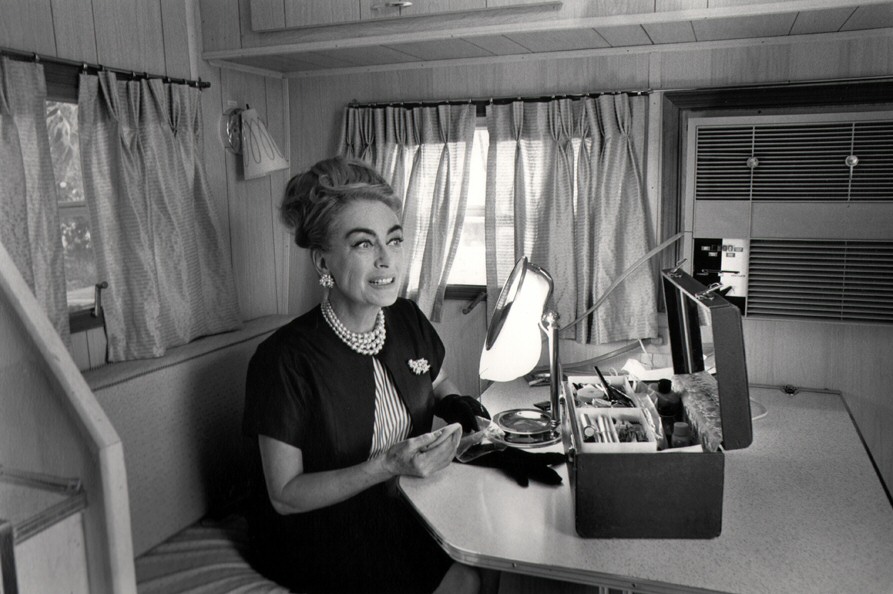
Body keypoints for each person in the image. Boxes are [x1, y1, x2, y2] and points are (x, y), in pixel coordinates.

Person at [242, 156, 492, 594]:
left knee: (490, 549)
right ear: (323, 263)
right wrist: (386, 466)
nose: (385, 261)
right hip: (317, 535)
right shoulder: (282, 359)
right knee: (466, 578)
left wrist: (463, 413)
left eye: (393, 241)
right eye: (363, 245)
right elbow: (284, 495)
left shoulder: (406, 318)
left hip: (398, 506)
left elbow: (437, 382)